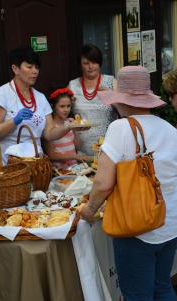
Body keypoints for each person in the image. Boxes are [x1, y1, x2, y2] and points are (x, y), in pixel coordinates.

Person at [80, 65, 177, 301]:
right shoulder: (170, 130)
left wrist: (90, 209)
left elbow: (102, 183)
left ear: (121, 101)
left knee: (137, 295)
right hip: (170, 222)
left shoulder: (120, 128)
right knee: (162, 287)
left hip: (136, 227)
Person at [0, 46, 83, 164]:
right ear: (15, 69)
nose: (35, 71)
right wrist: (14, 121)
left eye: (36, 67)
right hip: (4, 165)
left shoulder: (40, 97)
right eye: (29, 67)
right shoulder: (1, 94)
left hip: (33, 163)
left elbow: (49, 134)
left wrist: (69, 127)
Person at [68, 44, 116, 156]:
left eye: (94, 62)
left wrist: (111, 95)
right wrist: (68, 103)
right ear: (80, 65)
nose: (90, 66)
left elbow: (124, 110)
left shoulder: (111, 82)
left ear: (100, 63)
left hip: (109, 149)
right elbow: (62, 113)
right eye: (86, 63)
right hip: (81, 150)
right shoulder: (72, 85)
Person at [44, 87, 91, 168]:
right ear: (53, 107)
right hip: (60, 169)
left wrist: (76, 129)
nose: (66, 110)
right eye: (62, 106)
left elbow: (78, 145)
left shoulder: (69, 122)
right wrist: (75, 156)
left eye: (68, 106)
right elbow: (51, 155)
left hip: (74, 167)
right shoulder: (49, 126)